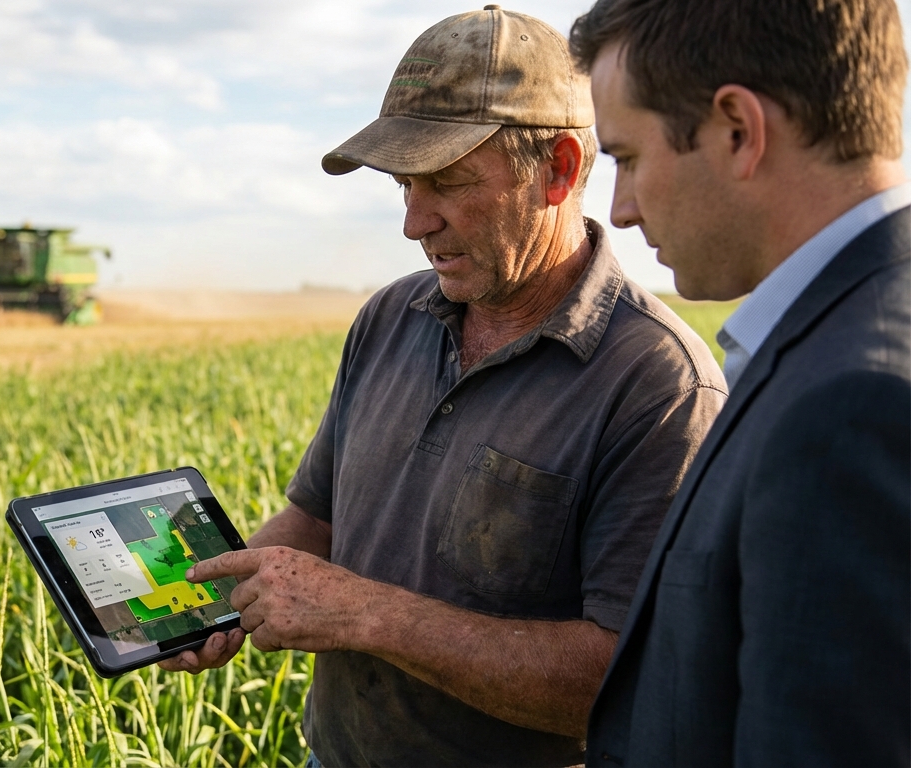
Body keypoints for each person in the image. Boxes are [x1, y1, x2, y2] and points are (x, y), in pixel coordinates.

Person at [159, 7, 726, 766]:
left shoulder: (657, 385)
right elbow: (315, 516)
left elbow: (629, 678)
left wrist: (365, 614)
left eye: (449, 182)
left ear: (558, 169)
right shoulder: (392, 316)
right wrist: (202, 606)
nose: (415, 222)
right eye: (403, 184)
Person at [569, 0, 910, 765]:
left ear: (737, 130)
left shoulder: (852, 410)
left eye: (626, 158)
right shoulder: (850, 338)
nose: (619, 211)